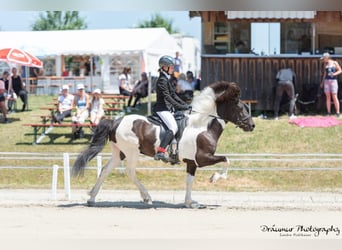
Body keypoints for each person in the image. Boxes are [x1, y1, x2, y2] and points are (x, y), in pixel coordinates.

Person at [153, 55, 191, 162]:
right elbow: (168, 98)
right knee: (173, 127)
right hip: (161, 109)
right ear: (164, 67)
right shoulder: (162, 80)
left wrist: (185, 105)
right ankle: (160, 151)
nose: (173, 69)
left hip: (167, 109)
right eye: (171, 67)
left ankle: (174, 152)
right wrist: (180, 106)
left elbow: (174, 95)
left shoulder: (166, 78)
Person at [320, 52, 341, 117]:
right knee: (328, 97)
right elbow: (325, 74)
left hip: (333, 81)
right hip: (326, 81)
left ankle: (337, 112)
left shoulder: (335, 63)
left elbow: (340, 70)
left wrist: (334, 74)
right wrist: (322, 83)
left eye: (324, 58)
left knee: (334, 96)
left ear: (327, 57)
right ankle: (328, 112)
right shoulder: (325, 64)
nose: (323, 60)